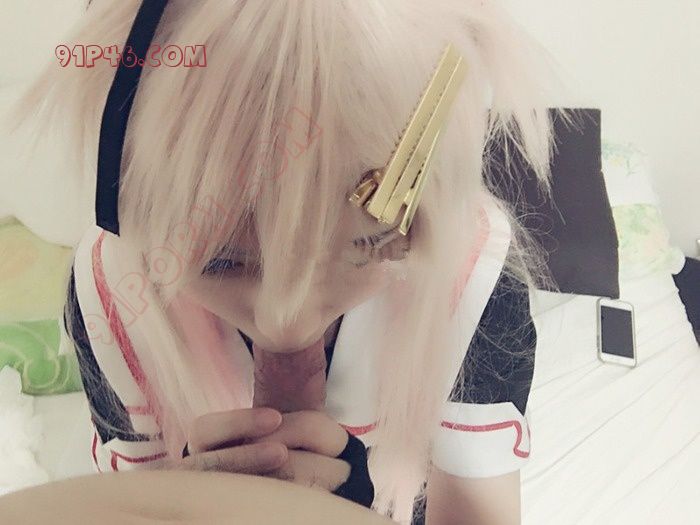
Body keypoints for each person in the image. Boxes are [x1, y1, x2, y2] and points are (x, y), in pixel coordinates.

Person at [10, 0, 564, 523]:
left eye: (369, 244)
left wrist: (350, 511)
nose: (287, 323)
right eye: (220, 261)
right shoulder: (113, 299)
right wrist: (190, 497)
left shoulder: (473, 281)